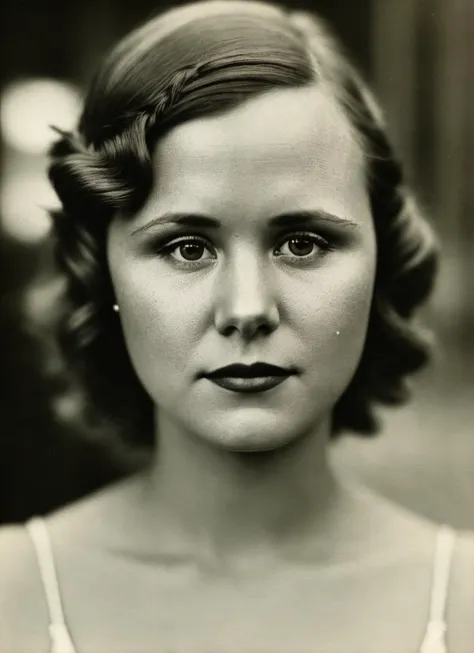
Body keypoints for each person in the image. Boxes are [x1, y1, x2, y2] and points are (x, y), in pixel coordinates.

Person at [1, 1, 473, 651]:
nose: (248, 308)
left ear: (380, 264)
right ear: (103, 273)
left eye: (302, 242)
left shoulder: (462, 598)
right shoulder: (12, 593)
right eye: (187, 247)